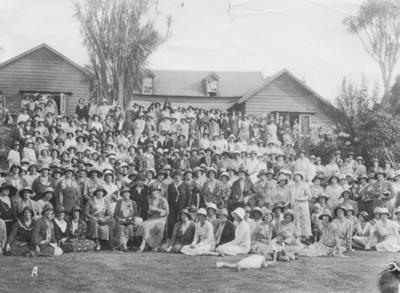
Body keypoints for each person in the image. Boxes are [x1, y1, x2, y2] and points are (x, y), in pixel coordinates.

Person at [136, 183, 169, 252]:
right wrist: (150, 211)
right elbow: (149, 213)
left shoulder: (163, 200)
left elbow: (166, 213)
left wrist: (156, 209)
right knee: (141, 224)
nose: (153, 193)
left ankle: (142, 246)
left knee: (146, 226)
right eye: (152, 192)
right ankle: (146, 244)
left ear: (158, 191)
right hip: (152, 219)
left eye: (154, 191)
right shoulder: (151, 200)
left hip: (161, 220)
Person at [85, 186, 114, 251]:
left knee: (111, 223)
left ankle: (108, 243)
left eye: (101, 192)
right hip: (93, 218)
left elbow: (109, 214)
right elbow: (86, 212)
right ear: (95, 193)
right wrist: (93, 217)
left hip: (102, 219)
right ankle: (98, 243)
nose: (100, 193)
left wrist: (105, 218)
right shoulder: (91, 200)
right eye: (98, 191)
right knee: (94, 224)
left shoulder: (106, 202)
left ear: (103, 193)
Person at [113, 187, 140, 251]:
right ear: (122, 195)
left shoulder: (133, 203)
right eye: (124, 193)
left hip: (130, 222)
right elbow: (115, 214)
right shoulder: (119, 202)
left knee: (130, 228)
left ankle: (123, 246)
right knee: (121, 228)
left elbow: (136, 215)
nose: (126, 194)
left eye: (127, 193)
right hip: (121, 221)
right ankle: (125, 247)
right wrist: (119, 219)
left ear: (129, 194)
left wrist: (132, 218)